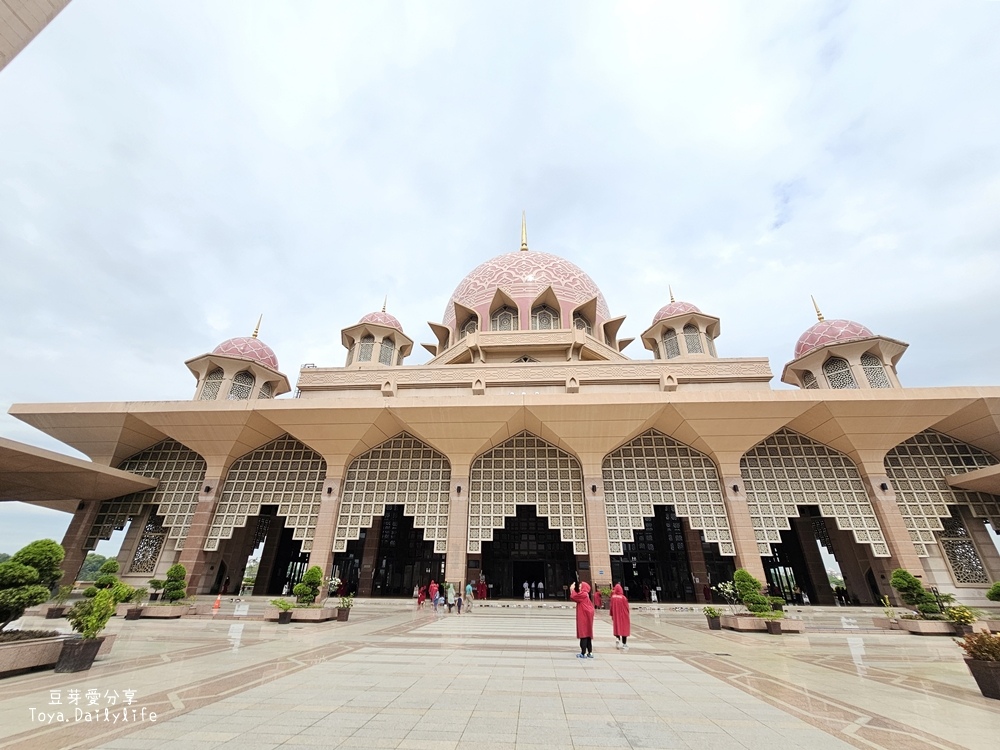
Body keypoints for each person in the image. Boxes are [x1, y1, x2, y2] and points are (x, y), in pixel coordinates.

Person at [569, 580, 595, 658]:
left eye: (580, 586)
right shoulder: (585, 595)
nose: (579, 587)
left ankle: (583, 653)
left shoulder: (583, 594)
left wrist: (572, 589)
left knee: (583, 634)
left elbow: (573, 596)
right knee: (588, 634)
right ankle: (589, 652)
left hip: (584, 617)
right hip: (586, 616)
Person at [610, 583, 631, 652]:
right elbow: (627, 607)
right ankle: (624, 644)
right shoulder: (623, 598)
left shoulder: (613, 597)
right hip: (623, 616)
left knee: (617, 627)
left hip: (616, 616)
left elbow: (611, 607)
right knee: (624, 628)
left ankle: (617, 639)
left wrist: (612, 614)